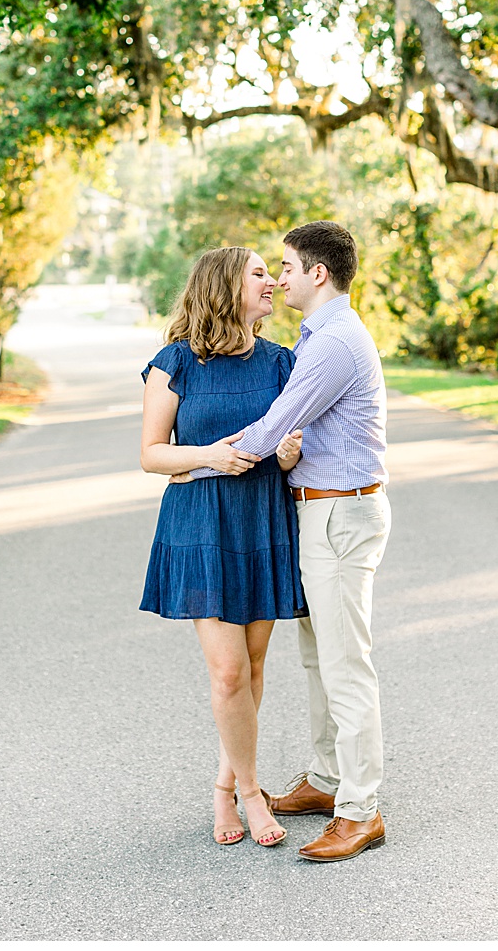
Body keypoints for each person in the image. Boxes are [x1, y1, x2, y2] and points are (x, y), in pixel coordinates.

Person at [180, 220, 392, 864]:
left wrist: (192, 464)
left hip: (340, 517)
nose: (279, 277)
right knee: (316, 658)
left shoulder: (332, 346)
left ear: (316, 273)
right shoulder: (316, 337)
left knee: (345, 664)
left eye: (287, 267)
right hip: (315, 513)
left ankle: (361, 810)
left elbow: (274, 427)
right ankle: (329, 783)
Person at [138, 246, 307, 849]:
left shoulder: (283, 364)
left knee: (256, 666)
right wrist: (210, 455)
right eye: (260, 273)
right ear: (223, 285)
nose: (273, 283)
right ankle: (249, 793)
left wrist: (289, 453)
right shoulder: (175, 364)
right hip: (202, 522)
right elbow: (151, 453)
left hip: (261, 517)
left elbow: (292, 442)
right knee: (230, 671)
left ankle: (225, 781)